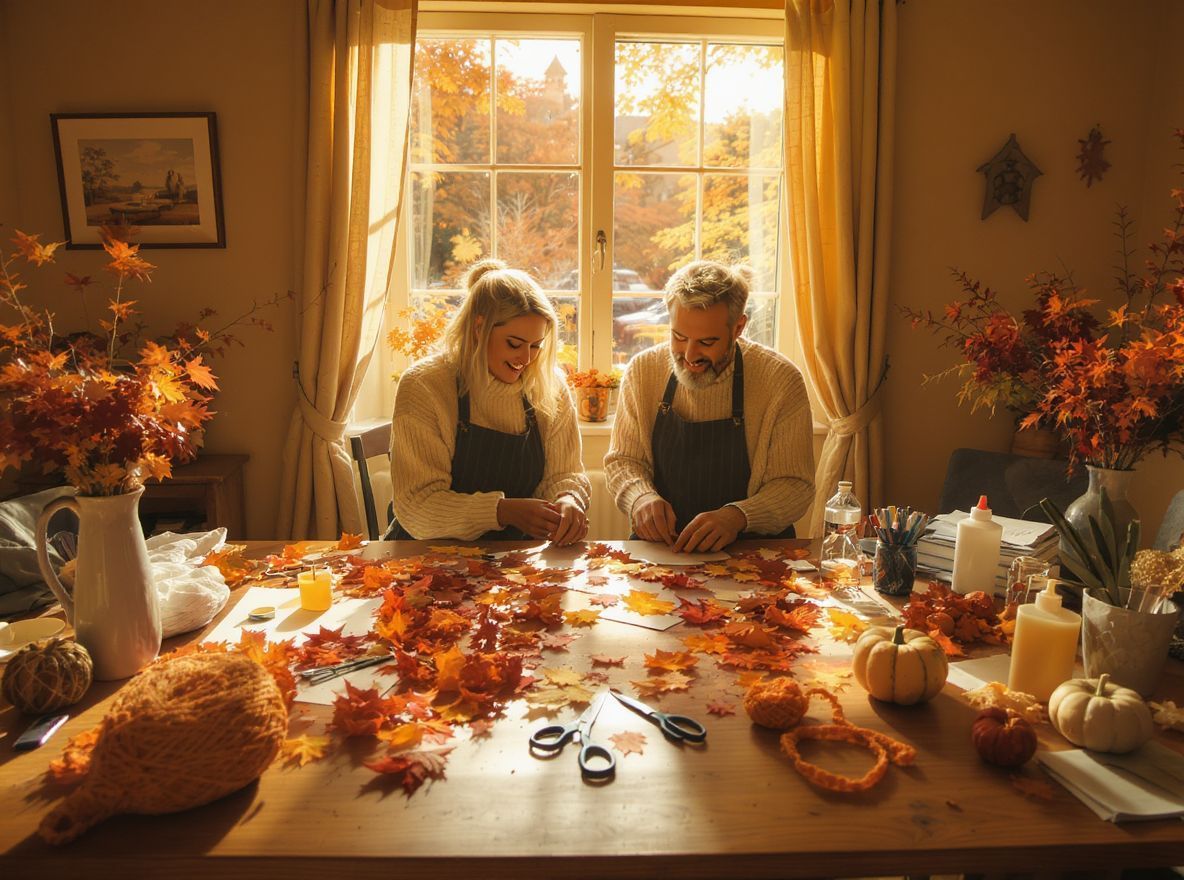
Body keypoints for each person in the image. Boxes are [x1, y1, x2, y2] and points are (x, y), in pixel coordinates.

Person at [605, 261, 814, 552]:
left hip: (753, 551)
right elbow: (623, 461)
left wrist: (737, 517)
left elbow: (795, 486)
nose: (690, 355)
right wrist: (640, 498)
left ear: (738, 327)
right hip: (663, 549)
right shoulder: (643, 370)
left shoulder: (780, 380)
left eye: (706, 342)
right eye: (679, 337)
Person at [390, 259, 590, 544]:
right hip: (427, 554)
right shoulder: (426, 385)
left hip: (515, 556)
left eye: (536, 346)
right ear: (479, 327)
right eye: (514, 344)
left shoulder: (549, 385)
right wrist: (501, 511)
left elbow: (565, 473)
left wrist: (568, 499)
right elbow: (417, 505)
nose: (526, 359)